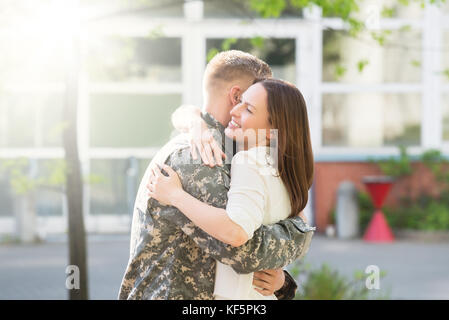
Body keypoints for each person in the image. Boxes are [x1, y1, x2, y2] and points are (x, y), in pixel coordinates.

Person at [118, 50, 315, 300]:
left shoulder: (234, 149)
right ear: (236, 96)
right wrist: (301, 234)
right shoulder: (201, 156)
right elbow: (241, 247)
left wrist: (281, 281)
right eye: (251, 99)